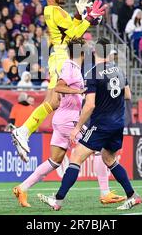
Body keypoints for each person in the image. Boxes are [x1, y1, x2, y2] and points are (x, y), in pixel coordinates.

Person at [13, 38, 125, 207]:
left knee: (55, 160)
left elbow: (58, 93)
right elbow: (59, 87)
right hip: (70, 120)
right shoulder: (70, 67)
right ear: (82, 51)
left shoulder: (73, 67)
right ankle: (105, 193)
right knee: (98, 149)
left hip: (62, 118)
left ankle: (22, 188)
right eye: (86, 48)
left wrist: (73, 95)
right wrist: (78, 91)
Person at [38, 38, 142, 211]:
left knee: (76, 158)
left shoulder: (93, 73)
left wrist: (77, 127)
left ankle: (57, 200)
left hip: (101, 124)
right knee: (109, 159)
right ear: (109, 52)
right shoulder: (119, 71)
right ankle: (133, 196)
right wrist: (109, 97)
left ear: (95, 52)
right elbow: (128, 95)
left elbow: (90, 105)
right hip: (118, 123)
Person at [10, 0, 106, 161]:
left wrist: (78, 16)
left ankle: (24, 131)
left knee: (53, 101)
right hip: (62, 56)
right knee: (55, 100)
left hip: (61, 55)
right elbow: (73, 36)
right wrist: (89, 18)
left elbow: (69, 30)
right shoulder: (55, 11)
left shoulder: (54, 11)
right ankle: (24, 130)